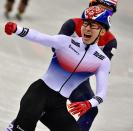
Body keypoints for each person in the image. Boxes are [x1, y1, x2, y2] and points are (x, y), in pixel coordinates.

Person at [6, 0, 118, 130]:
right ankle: (20, 122)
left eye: (92, 26)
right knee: (25, 123)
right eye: (85, 24)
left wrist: (88, 104)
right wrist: (16, 29)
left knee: (89, 114)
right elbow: (40, 37)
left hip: (61, 101)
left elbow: (102, 91)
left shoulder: (104, 58)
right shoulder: (66, 40)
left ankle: (26, 118)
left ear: (102, 31)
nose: (87, 28)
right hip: (39, 93)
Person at [40, 0, 118, 130]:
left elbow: (102, 69)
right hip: (61, 73)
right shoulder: (72, 24)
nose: (105, 10)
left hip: (78, 80)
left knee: (91, 110)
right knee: (44, 101)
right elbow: (55, 47)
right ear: (92, 6)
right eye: (102, 6)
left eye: (109, 9)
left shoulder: (111, 41)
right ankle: (18, 123)